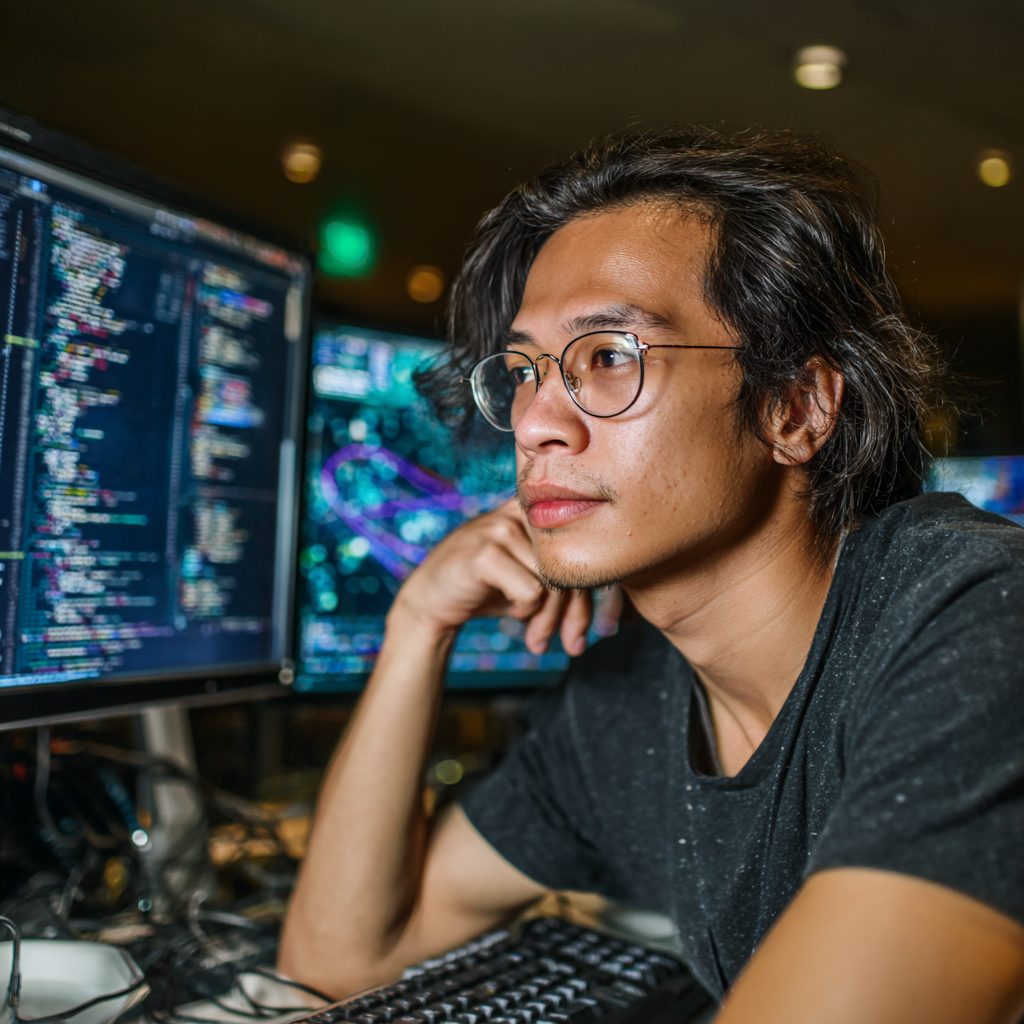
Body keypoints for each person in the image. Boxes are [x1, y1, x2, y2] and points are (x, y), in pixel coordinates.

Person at [279, 127, 1024, 1024]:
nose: (534, 423)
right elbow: (339, 961)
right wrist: (417, 627)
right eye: (524, 371)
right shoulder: (626, 708)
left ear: (796, 408)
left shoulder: (977, 616)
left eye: (608, 357)